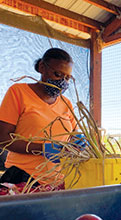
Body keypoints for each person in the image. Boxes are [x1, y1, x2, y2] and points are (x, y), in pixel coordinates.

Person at [0, 48, 78, 186]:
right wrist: (42, 149)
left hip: (59, 181)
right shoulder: (18, 93)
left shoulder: (67, 103)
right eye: (58, 74)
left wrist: (80, 143)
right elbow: (3, 139)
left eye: (67, 78)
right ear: (42, 67)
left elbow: (74, 136)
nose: (62, 82)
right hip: (23, 179)